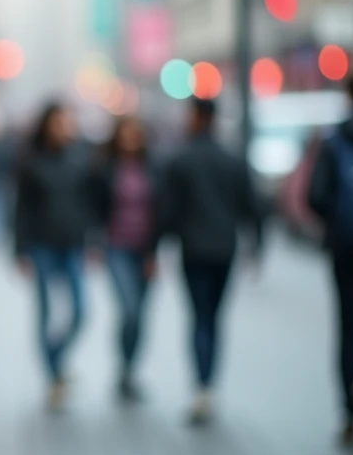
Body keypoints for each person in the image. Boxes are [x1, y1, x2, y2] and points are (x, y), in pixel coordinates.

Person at [160, 97, 265, 426]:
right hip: (224, 250)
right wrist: (257, 246)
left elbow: (166, 210)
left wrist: (155, 246)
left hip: (193, 250)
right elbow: (254, 206)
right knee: (215, 317)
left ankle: (201, 386)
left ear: (195, 117)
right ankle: (208, 384)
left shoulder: (180, 160)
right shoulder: (232, 159)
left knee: (199, 316)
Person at [306, 66, 353, 447]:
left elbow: (315, 197)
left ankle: (349, 414)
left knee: (348, 328)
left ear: (349, 95)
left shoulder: (334, 140)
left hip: (346, 248)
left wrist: (340, 222)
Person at [14, 102, 93, 411]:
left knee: (80, 312)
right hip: (41, 246)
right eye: (58, 123)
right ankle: (54, 375)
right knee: (45, 314)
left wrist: (91, 240)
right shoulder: (32, 162)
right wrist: (19, 249)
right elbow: (21, 208)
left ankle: (56, 359)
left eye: (67, 122)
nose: (64, 128)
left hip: (72, 245)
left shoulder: (79, 159)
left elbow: (89, 203)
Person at [90, 116, 163, 403]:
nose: (131, 138)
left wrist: (154, 252)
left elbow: (162, 211)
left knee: (141, 315)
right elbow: (94, 207)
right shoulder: (105, 168)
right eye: (126, 133)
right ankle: (124, 366)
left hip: (144, 250)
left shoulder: (153, 167)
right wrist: (93, 243)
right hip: (116, 248)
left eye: (136, 133)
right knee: (129, 310)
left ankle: (129, 371)